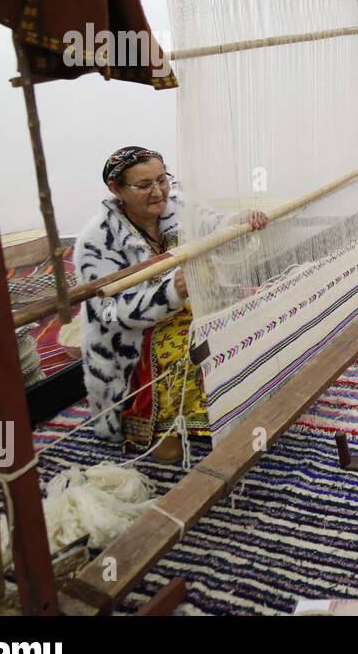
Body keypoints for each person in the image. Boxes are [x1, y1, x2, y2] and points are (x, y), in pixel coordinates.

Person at [75, 147, 268, 463]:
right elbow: (109, 312)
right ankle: (159, 424)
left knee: (254, 316)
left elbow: (218, 231)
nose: (158, 192)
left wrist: (240, 223)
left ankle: (221, 406)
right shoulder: (97, 242)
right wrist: (172, 291)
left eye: (162, 180)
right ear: (116, 189)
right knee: (192, 348)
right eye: (144, 185)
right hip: (136, 338)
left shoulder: (179, 205)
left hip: (195, 308)